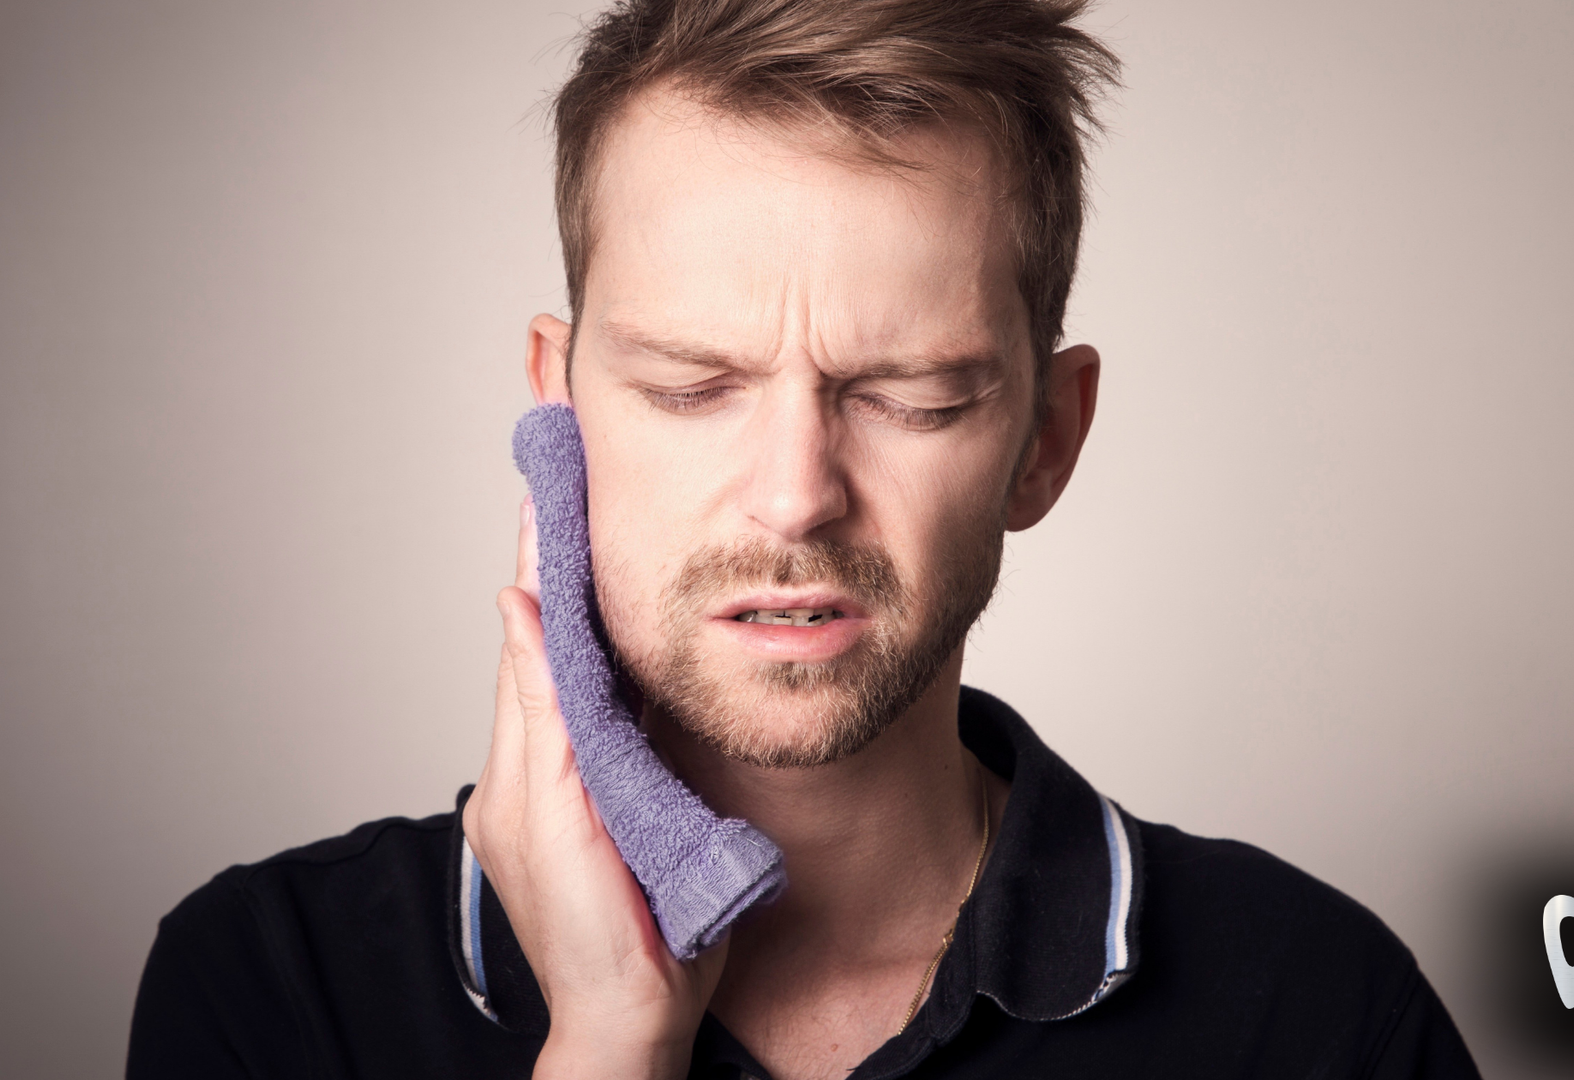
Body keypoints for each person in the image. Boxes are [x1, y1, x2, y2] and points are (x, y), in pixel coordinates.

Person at [126, 1, 1482, 1077]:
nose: (793, 497)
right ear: (559, 406)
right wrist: (608, 1052)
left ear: (1047, 439)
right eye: (689, 389)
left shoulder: (1314, 1009)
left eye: (913, 398)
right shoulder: (273, 987)